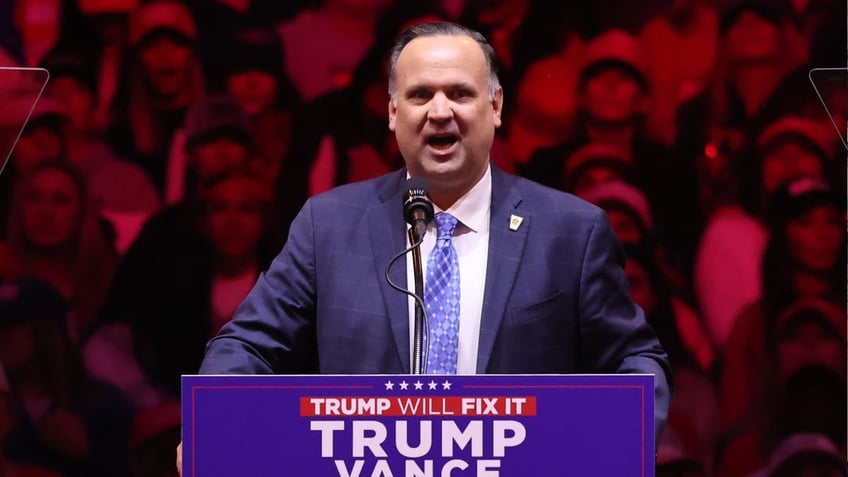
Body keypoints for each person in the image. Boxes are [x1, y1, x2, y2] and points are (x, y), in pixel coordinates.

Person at [181, 21, 671, 473]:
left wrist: (624, 438)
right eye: (420, 95)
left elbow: (636, 362)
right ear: (393, 113)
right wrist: (213, 425)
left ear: (495, 107)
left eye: (460, 92)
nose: (441, 112)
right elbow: (247, 344)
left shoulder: (572, 230)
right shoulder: (327, 225)